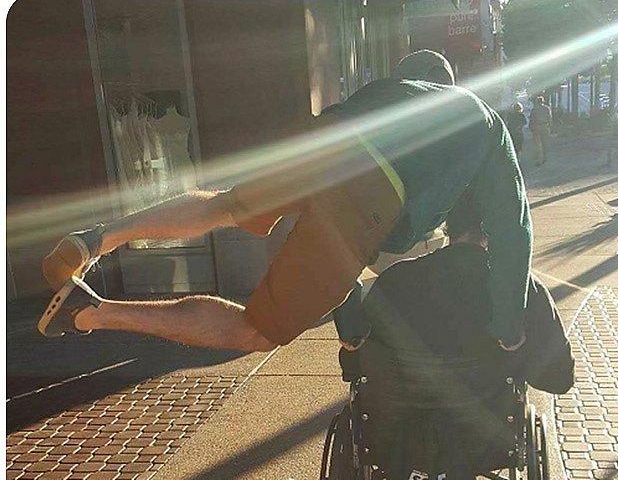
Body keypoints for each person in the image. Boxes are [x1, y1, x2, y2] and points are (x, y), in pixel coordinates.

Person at [39, 49, 532, 361]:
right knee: (255, 330)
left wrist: (350, 320)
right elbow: (514, 230)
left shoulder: (386, 92)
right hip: (374, 191)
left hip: (327, 136)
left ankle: (97, 237)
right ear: (449, 82)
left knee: (224, 206)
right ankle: (92, 313)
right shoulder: (485, 125)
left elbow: (338, 239)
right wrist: (509, 325)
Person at [344, 197, 574, 395]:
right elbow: (558, 378)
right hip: (489, 441)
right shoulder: (520, 289)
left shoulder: (395, 280)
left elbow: (354, 364)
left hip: (397, 439)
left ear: (446, 225)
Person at [529, 94, 552, 166]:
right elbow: (550, 118)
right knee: (545, 143)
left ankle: (539, 159)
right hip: (545, 127)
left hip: (537, 128)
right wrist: (550, 126)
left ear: (537, 102)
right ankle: (545, 157)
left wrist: (531, 128)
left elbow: (532, 120)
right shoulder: (547, 109)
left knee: (538, 144)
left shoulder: (534, 110)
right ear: (543, 101)